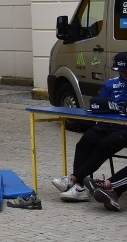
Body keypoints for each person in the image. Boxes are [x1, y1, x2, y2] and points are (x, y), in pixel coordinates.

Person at [51, 51, 127, 202]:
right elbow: (97, 104)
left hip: (124, 129)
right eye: (122, 71)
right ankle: (78, 187)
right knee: (86, 141)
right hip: (106, 125)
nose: (124, 74)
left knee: (105, 145)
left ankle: (74, 179)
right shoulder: (111, 84)